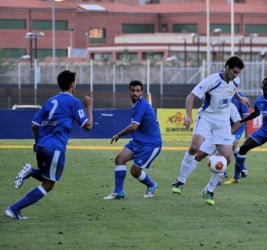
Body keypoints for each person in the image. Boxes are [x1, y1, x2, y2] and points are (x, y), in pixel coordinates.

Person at [5, 70, 93, 220]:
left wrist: (38, 143)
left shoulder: (50, 101)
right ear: (72, 84)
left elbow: (34, 125)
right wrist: (89, 106)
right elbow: (88, 126)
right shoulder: (74, 102)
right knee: (49, 184)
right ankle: (14, 209)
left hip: (41, 145)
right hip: (56, 147)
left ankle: (30, 172)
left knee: (47, 176)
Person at [171, 55, 249, 206]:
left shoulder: (235, 80)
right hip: (206, 117)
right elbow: (191, 96)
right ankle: (180, 180)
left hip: (223, 123)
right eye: (233, 72)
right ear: (226, 67)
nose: (235, 75)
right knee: (195, 147)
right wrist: (188, 116)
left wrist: (240, 99)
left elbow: (233, 89)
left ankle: (209, 190)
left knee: (226, 158)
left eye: (238, 73)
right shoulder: (211, 81)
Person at [225, 76, 267, 185]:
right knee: (243, 148)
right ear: (262, 86)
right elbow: (256, 113)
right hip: (264, 131)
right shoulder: (259, 101)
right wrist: (243, 121)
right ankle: (236, 177)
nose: (266, 87)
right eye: (265, 85)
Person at [104, 80, 162, 200]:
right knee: (120, 159)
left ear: (142, 92)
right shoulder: (135, 105)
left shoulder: (142, 105)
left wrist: (118, 135)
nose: (135, 93)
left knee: (135, 171)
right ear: (129, 91)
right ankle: (118, 192)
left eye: (138, 90)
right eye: (133, 90)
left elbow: (134, 126)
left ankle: (151, 185)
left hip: (151, 144)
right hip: (138, 141)